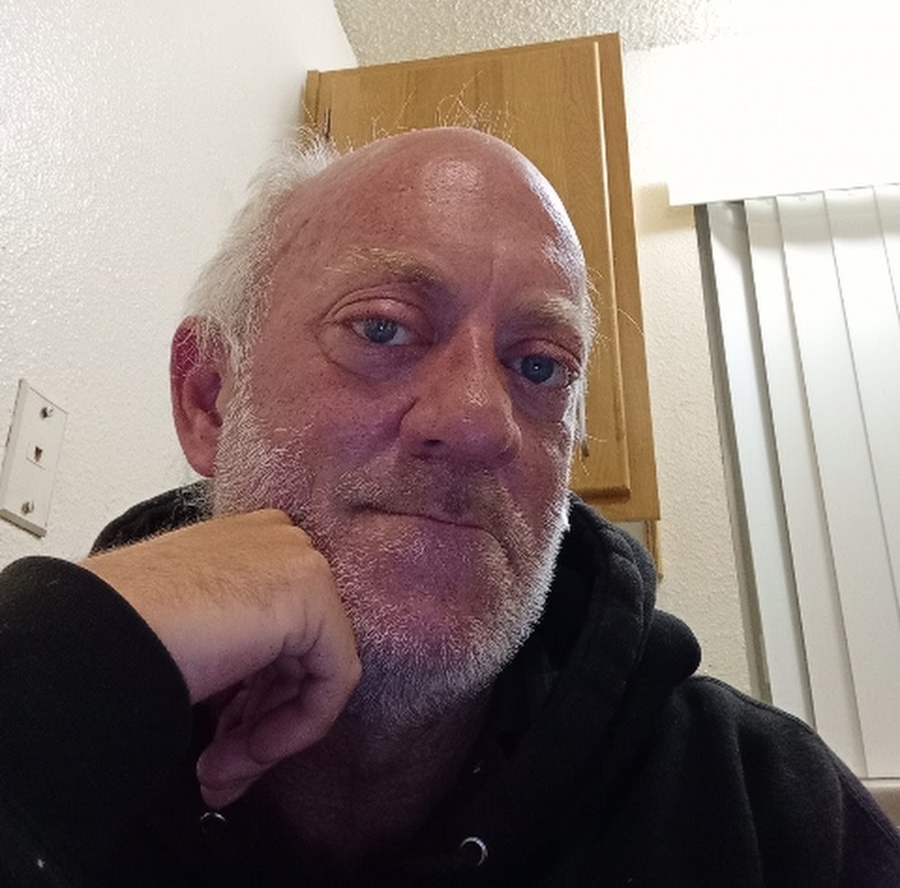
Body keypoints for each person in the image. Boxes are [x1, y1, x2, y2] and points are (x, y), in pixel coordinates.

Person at [0, 127, 898, 887]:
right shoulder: (41, 740)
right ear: (209, 397)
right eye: (382, 327)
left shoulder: (771, 813)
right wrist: (66, 663)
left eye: (539, 366)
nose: (477, 422)